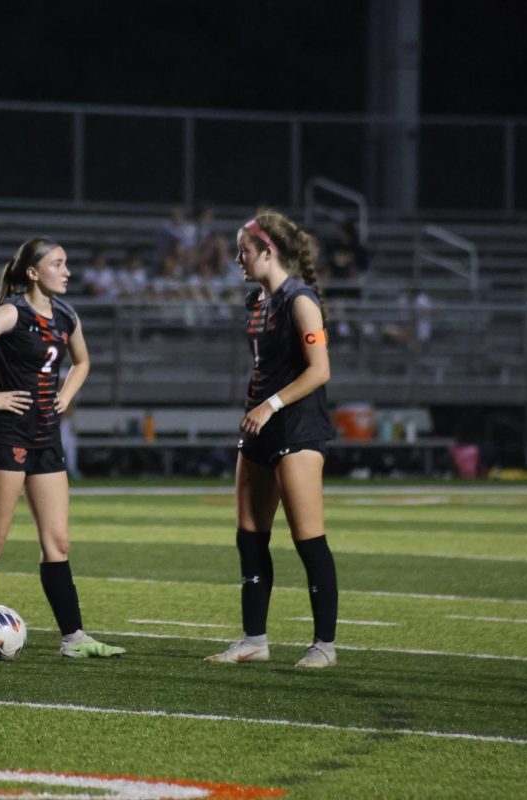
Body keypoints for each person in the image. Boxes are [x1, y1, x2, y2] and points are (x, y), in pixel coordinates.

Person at [0, 237, 125, 660]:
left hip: (46, 435)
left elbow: (82, 362)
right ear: (33, 273)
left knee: (58, 542)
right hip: (8, 435)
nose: (68, 271)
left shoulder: (66, 315)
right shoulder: (10, 313)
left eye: (67, 264)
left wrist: (66, 394)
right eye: (58, 264)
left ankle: (74, 638)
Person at [205, 209, 338, 669]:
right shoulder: (255, 301)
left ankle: (324, 645)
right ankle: (254, 639)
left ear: (269, 251)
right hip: (259, 427)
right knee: (249, 535)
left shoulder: (299, 300)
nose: (238, 257)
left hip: (297, 428)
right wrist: (257, 408)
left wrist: (271, 405)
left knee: (308, 539)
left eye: (244, 249)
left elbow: (320, 371)